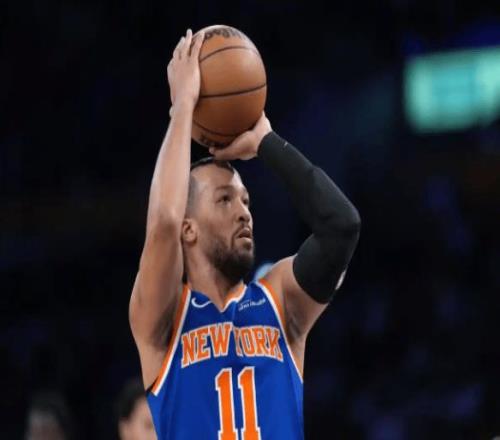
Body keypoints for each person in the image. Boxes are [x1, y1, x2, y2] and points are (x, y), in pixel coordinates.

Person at [129, 29, 361, 440]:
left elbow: (341, 227)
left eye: (246, 201)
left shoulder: (280, 300)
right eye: (225, 200)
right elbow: (163, 221)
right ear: (188, 228)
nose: (243, 213)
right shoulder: (164, 318)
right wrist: (183, 106)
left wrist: (267, 143)